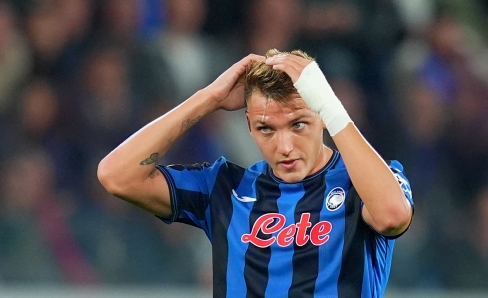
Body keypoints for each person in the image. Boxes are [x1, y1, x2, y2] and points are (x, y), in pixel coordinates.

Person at [97, 49, 414, 297]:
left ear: (321, 116)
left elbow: (392, 216)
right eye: (266, 128)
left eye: (298, 124)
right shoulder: (224, 188)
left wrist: (331, 106)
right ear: (249, 125)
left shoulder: (367, 182)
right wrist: (207, 99)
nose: (285, 146)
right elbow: (116, 176)